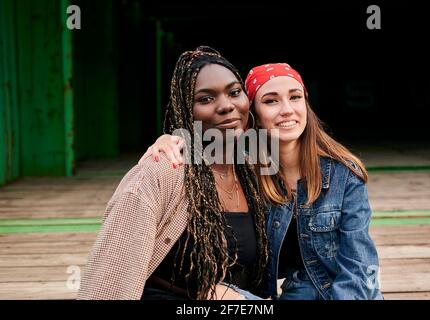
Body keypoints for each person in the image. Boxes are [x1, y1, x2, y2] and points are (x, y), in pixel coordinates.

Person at [141, 62, 383, 300]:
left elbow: (360, 268)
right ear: (252, 115)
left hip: (348, 292)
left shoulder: (343, 174)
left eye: (295, 97)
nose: (287, 109)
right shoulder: (244, 172)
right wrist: (168, 141)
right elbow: (198, 151)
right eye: (271, 101)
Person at [77, 46, 268, 300]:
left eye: (234, 92)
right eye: (205, 99)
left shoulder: (252, 171)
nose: (226, 106)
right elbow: (110, 277)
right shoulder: (161, 173)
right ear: (186, 111)